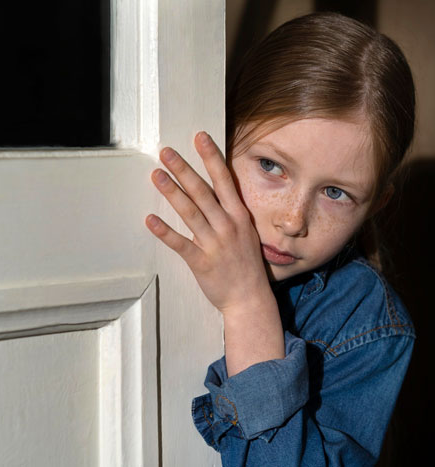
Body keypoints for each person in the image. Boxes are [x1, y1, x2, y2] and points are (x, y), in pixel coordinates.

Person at [144, 12, 415, 466]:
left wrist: (249, 307)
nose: (292, 221)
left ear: (376, 205)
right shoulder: (150, 242)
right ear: (224, 133)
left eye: (335, 193)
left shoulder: (369, 326)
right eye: (271, 166)